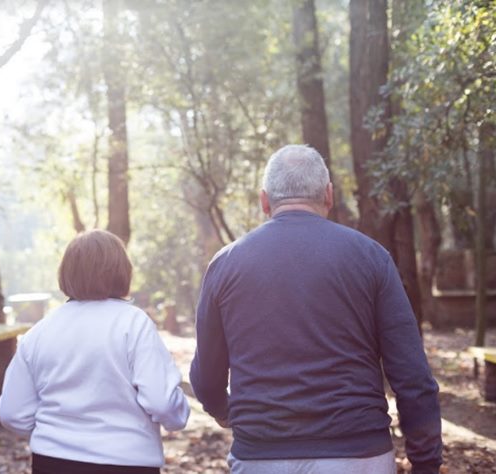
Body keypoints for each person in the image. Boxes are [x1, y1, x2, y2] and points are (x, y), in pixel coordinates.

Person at [189, 145, 443, 474]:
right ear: (329, 195)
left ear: (264, 200)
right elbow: (412, 376)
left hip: (261, 456)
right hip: (359, 456)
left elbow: (205, 375)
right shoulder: (371, 257)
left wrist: (224, 410)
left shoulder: (226, 264)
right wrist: (425, 463)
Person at [0, 229, 190, 474]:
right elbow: (161, 402)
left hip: (52, 461)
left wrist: (54, 434)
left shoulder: (39, 332)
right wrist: (178, 418)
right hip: (126, 462)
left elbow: (12, 412)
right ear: (122, 272)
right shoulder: (133, 323)